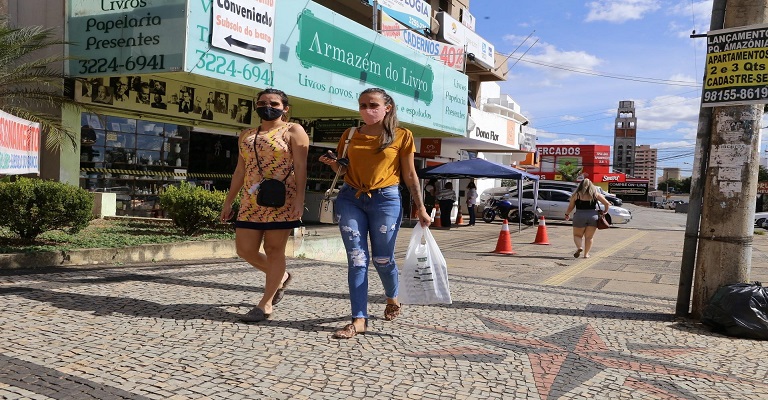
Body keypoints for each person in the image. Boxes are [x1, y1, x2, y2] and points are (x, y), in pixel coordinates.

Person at [319, 87, 431, 339]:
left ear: (387, 107)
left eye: (372, 105)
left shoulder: (402, 135)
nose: (366, 110)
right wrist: (332, 163)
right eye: (362, 105)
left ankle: (393, 297)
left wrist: (421, 208)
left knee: (383, 259)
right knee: (358, 259)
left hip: (386, 199)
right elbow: (343, 168)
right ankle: (359, 319)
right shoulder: (350, 134)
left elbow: (410, 174)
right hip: (351, 197)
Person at [220, 88, 309, 323]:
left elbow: (301, 167)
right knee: (245, 249)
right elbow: (240, 170)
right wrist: (229, 201)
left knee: (274, 250)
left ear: (285, 108)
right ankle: (281, 277)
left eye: (274, 103)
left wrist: (300, 199)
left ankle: (265, 304)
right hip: (252, 200)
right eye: (262, 102)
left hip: (282, 199)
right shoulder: (247, 134)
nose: (267, 106)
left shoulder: (293, 130)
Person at [564, 178, 611, 259]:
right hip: (593, 216)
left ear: (580, 185)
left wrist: (567, 214)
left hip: (579, 216)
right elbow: (607, 203)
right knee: (589, 237)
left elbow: (571, 207)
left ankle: (579, 247)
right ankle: (586, 254)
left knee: (577, 235)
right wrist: (605, 212)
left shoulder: (576, 195)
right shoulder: (595, 194)